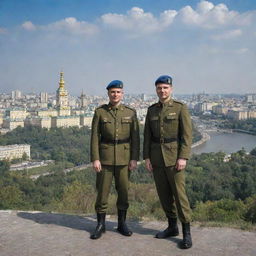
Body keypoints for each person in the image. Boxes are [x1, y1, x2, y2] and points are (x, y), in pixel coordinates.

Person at [143, 75, 193, 249]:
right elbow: (147, 136)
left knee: (179, 196)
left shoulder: (180, 108)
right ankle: (172, 227)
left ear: (171, 89)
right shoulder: (151, 110)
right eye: (159, 88)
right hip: (156, 158)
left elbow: (187, 135)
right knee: (164, 195)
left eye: (165, 88)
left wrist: (183, 157)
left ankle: (186, 232)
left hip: (174, 158)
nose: (162, 91)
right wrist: (147, 158)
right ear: (156, 90)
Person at [90, 80, 140, 239]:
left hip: (124, 159)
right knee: (102, 193)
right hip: (104, 159)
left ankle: (122, 223)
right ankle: (100, 224)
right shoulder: (100, 112)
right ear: (108, 94)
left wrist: (134, 159)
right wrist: (95, 158)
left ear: (122, 94)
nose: (115, 94)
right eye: (112, 92)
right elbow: (94, 138)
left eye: (118, 92)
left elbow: (136, 139)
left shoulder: (130, 113)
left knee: (123, 192)